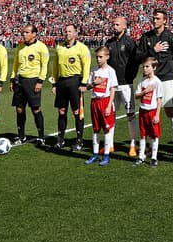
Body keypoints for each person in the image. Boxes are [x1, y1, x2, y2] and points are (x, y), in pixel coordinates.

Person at [138, 9, 173, 159]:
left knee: (170, 113)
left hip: (166, 80)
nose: (155, 20)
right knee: (150, 114)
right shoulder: (146, 37)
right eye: (154, 18)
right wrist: (153, 50)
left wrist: (169, 71)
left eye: (158, 18)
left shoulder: (170, 37)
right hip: (150, 81)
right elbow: (139, 56)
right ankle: (152, 148)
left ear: (165, 20)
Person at [50, 23, 90, 151]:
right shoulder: (59, 48)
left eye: (70, 31)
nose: (67, 33)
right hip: (62, 82)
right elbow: (55, 67)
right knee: (61, 111)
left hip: (75, 82)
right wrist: (54, 83)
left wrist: (84, 83)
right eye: (66, 31)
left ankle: (79, 140)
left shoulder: (82, 48)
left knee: (77, 112)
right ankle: (60, 140)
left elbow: (86, 66)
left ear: (75, 33)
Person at [104, 15, 139, 157]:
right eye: (114, 24)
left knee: (130, 114)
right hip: (112, 86)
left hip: (125, 84)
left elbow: (135, 62)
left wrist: (130, 77)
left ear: (124, 26)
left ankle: (132, 144)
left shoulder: (130, 42)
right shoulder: (109, 43)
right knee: (110, 114)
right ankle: (109, 144)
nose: (115, 27)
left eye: (117, 24)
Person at [11, 23, 49, 145]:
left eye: (27, 32)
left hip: (33, 82)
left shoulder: (41, 47)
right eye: (24, 32)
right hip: (20, 81)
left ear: (34, 34)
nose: (24, 34)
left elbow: (44, 66)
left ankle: (41, 137)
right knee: (19, 109)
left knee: (35, 109)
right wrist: (12, 79)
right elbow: (15, 64)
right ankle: (21, 136)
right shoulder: (20, 47)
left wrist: (40, 81)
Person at [85, 46, 118, 166]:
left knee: (107, 129)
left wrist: (109, 105)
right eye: (97, 57)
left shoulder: (110, 71)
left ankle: (107, 155)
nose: (98, 59)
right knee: (96, 129)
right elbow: (88, 87)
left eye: (101, 57)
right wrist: (94, 83)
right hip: (94, 102)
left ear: (107, 57)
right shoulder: (94, 70)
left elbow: (113, 89)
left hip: (105, 101)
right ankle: (95, 154)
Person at [134, 57, 162, 167]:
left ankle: (154, 157)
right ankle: (141, 156)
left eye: (147, 66)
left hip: (152, 111)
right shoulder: (142, 81)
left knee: (154, 135)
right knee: (143, 134)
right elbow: (136, 95)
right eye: (144, 66)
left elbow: (159, 99)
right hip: (143, 111)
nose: (144, 69)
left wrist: (157, 114)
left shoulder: (157, 82)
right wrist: (145, 91)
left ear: (154, 68)